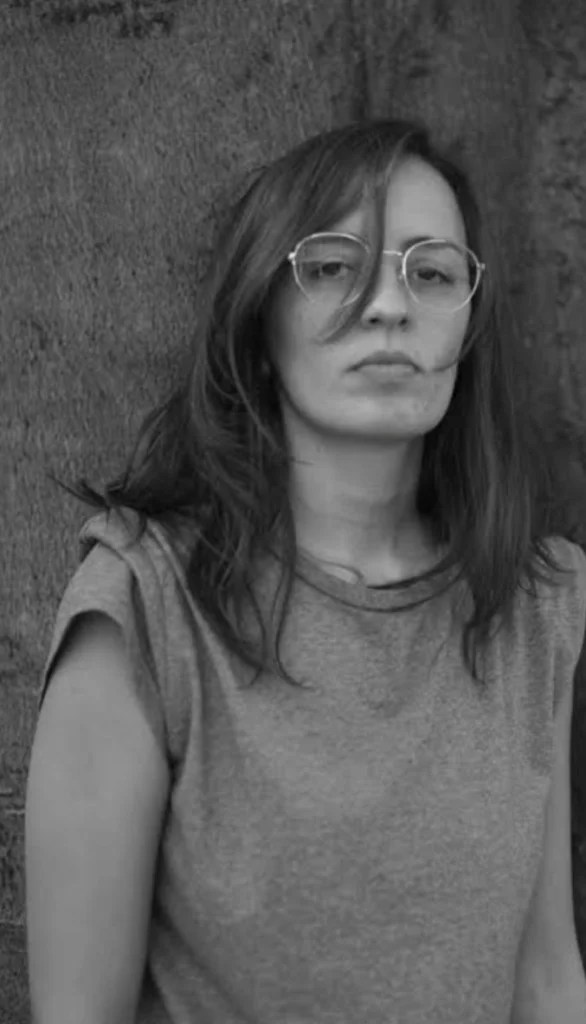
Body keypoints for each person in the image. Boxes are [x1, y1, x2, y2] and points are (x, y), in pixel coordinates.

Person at [25, 119, 586, 1024]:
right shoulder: (146, 602)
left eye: (433, 273)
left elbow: (547, 981)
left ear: (470, 326)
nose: (389, 304)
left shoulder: (535, 601)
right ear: (259, 324)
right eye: (331, 266)